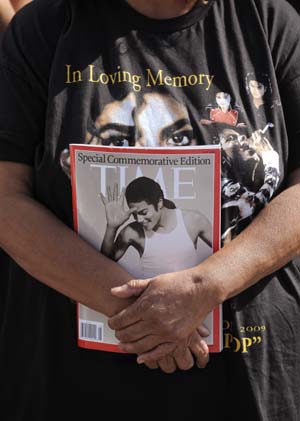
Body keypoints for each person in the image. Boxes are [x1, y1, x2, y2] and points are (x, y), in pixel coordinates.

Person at [0, 1, 299, 421]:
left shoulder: (269, 20)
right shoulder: (43, 29)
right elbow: (6, 200)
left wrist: (205, 286)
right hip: (75, 384)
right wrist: (143, 315)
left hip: (249, 376)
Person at [100, 176, 212, 277]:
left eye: (143, 212)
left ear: (159, 203)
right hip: (150, 298)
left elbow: (226, 255)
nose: (139, 219)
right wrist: (112, 227)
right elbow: (103, 265)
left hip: (188, 297)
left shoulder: (193, 220)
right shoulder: (132, 232)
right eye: (134, 214)